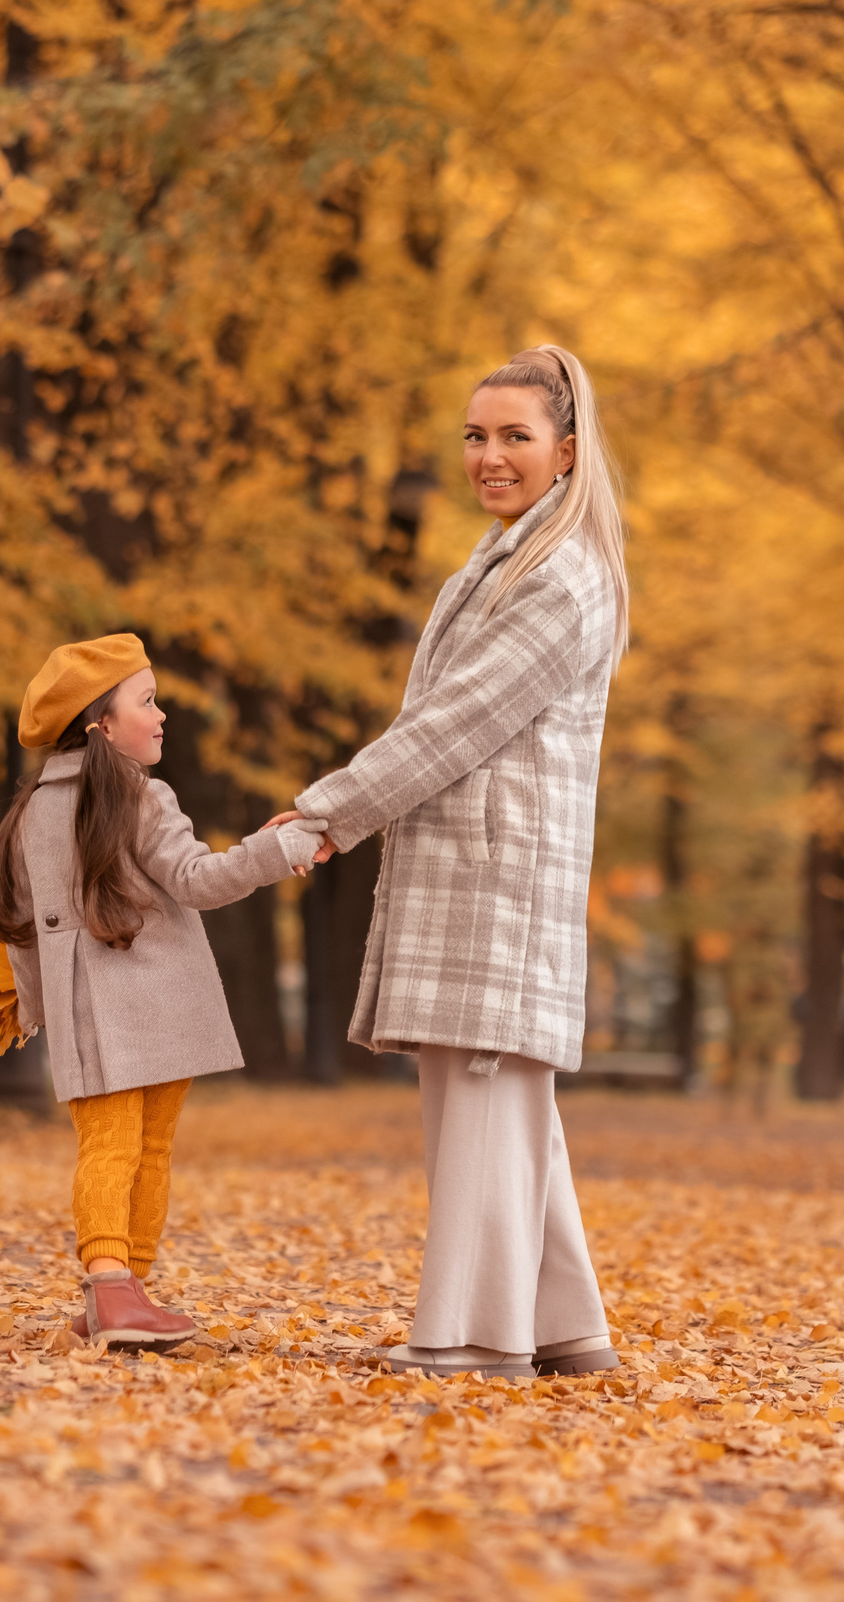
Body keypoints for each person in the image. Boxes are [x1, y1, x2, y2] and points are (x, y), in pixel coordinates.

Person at [269, 344, 629, 1379]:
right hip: (475, 867)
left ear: (566, 450)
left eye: (515, 436)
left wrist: (326, 812)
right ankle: (565, 1328)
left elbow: (449, 727)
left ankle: (471, 1338)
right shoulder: (505, 558)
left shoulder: (557, 580)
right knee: (503, 1105)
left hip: (496, 879)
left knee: (479, 1093)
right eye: (476, 436)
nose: (490, 456)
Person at [0, 634, 324, 1348]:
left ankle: (120, 1297)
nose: (162, 714)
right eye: (147, 700)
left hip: (95, 1011)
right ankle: (114, 1283)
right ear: (101, 724)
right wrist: (277, 850)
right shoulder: (141, 794)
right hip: (160, 1006)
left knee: (125, 1145)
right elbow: (199, 879)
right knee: (134, 1147)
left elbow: (14, 923)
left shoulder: (33, 810)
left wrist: (36, 1002)